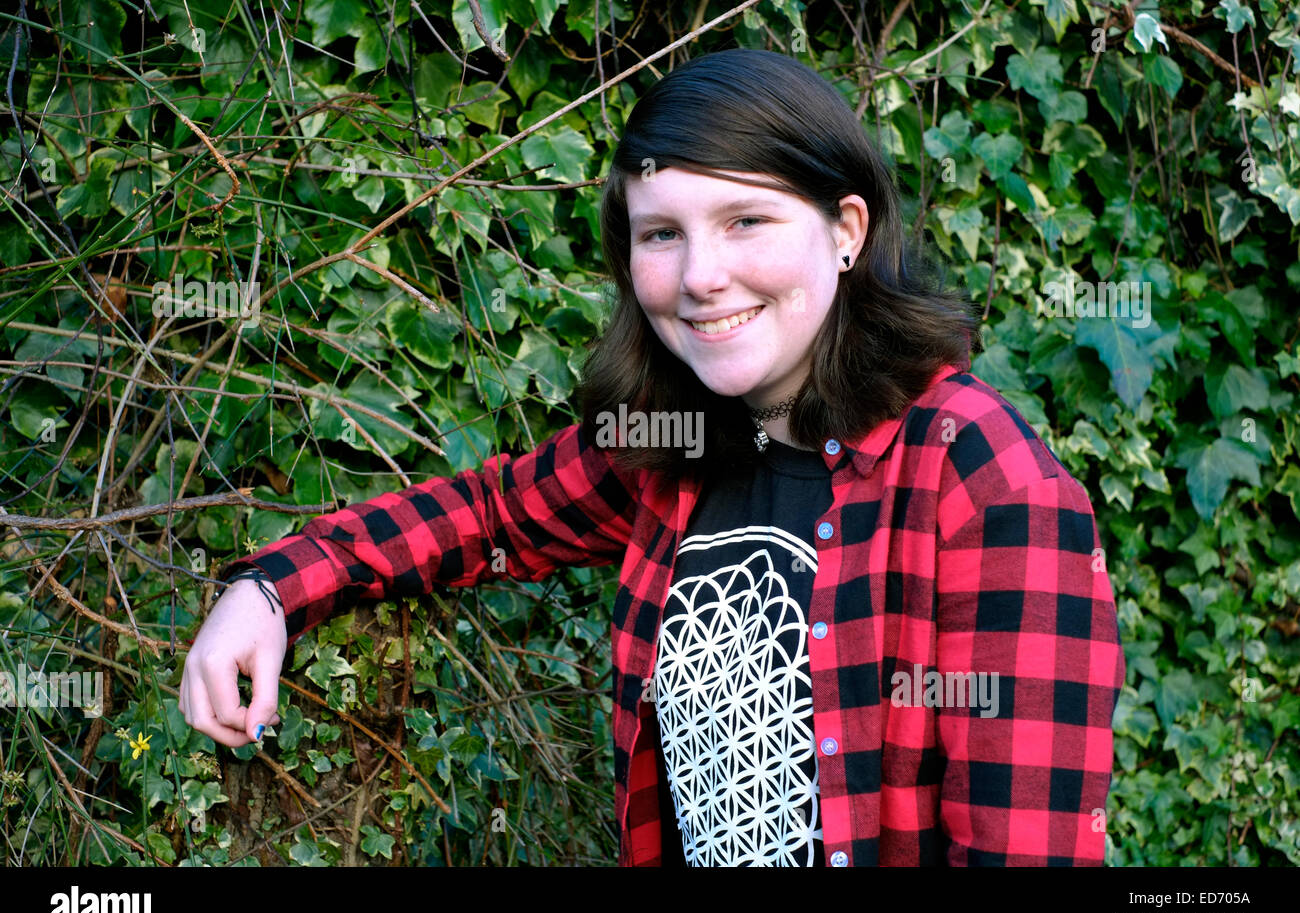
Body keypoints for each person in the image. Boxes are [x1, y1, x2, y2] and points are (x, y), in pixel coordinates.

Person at [180, 47, 1126, 866]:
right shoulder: (678, 441)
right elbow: (496, 513)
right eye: (662, 233)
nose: (701, 276)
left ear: (846, 231)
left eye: (746, 221)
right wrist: (270, 589)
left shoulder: (982, 489)